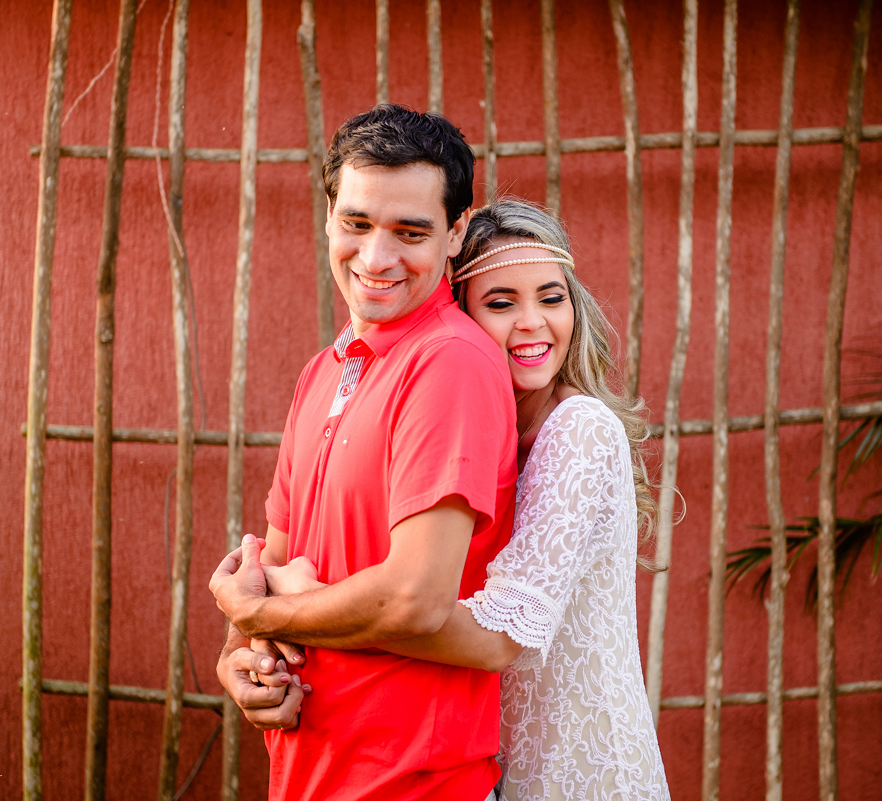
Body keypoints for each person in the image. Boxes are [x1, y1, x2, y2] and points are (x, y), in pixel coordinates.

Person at [257, 199, 672, 801]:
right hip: (488, 762)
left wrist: (296, 606)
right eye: (500, 303)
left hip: (575, 766)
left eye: (552, 298)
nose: (532, 322)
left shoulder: (579, 429)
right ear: (463, 318)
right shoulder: (482, 432)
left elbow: (500, 635)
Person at [208, 105, 518, 801]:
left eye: (411, 232)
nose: (376, 259)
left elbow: (415, 598)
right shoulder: (324, 369)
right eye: (357, 223)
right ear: (328, 216)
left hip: (417, 785)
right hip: (308, 776)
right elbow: (278, 564)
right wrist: (239, 658)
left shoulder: (451, 363)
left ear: (456, 231)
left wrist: (258, 615)